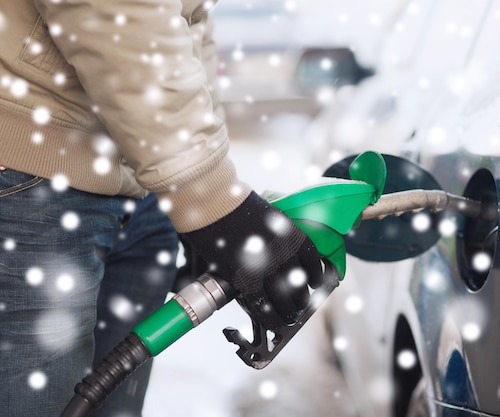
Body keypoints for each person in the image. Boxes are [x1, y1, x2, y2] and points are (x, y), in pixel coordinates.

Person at [0, 1, 325, 416]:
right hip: (33, 180)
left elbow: (188, 24)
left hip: (140, 187)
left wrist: (192, 194)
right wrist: (207, 194)